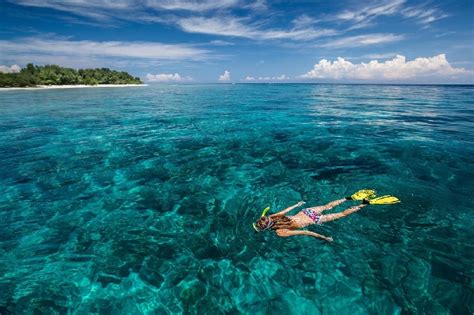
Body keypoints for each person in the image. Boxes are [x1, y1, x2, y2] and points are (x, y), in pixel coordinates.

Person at [252, 189, 400, 242]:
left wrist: (325, 238)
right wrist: (297, 205)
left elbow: (306, 232)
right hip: (307, 211)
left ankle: (366, 203)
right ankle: (350, 198)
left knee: (342, 213)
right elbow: (286, 210)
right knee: (328, 205)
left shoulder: (280, 232)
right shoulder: (274, 216)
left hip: (314, 220)